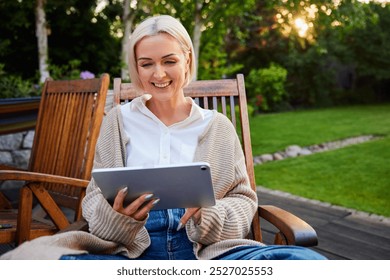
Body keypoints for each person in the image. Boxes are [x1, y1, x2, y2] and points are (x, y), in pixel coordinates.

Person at [0, 15, 325, 260]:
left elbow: (243, 201)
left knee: (305, 262)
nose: (158, 74)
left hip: (209, 249)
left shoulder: (218, 126)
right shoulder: (118, 121)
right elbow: (94, 201)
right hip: (129, 247)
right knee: (27, 262)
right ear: (137, 68)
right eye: (147, 64)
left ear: (187, 60)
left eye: (169, 61)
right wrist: (118, 216)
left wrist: (208, 214)